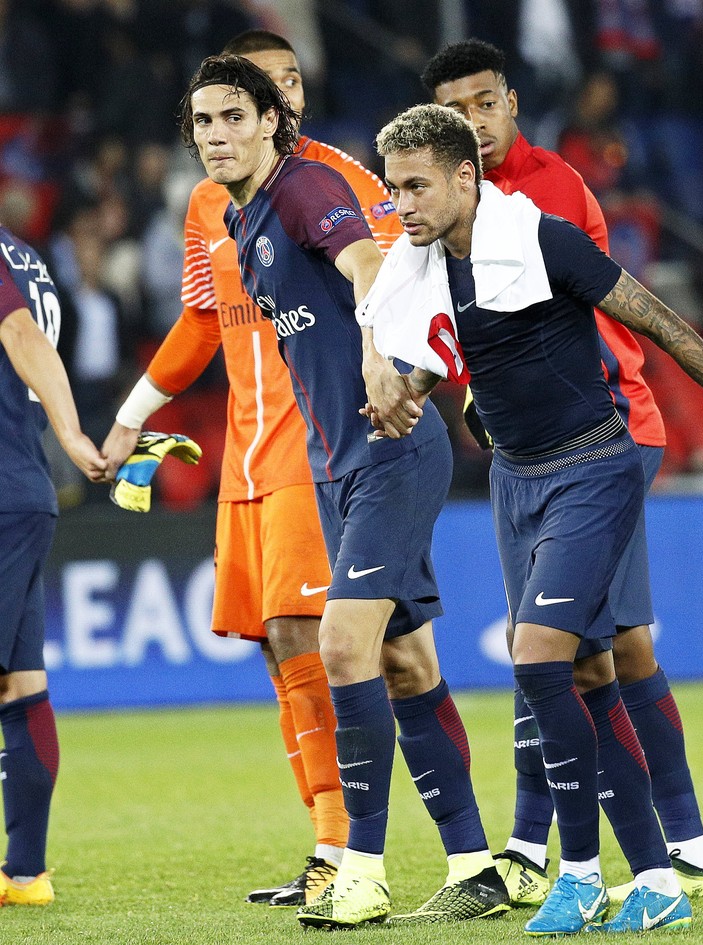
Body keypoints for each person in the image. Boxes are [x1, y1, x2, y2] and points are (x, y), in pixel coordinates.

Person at [362, 103, 703, 935]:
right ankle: (658, 880)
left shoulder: (543, 240)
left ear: (466, 178)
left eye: (417, 186)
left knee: (536, 663)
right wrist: (405, 394)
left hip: (593, 469)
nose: (403, 205)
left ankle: (579, 873)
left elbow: (661, 323)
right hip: (516, 482)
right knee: (590, 675)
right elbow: (445, 358)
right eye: (394, 190)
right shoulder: (427, 264)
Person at [175, 55, 507, 928]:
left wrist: (375, 353)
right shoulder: (243, 223)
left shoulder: (301, 188)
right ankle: (477, 864)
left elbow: (367, 262)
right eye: (204, 122)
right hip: (342, 463)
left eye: (234, 117)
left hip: (389, 445)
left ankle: (358, 869)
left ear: (271, 123)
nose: (217, 135)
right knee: (404, 661)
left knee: (342, 645)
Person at [422, 38, 703, 904]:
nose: (475, 122)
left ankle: (657, 841)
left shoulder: (545, 193)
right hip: (531, 448)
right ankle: (624, 848)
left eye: (486, 103)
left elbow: (586, 323)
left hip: (607, 427)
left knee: (591, 648)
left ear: (512, 103)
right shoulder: (439, 204)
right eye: (458, 110)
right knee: (578, 649)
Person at [102, 30, 402, 909]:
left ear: (280, 112)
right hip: (247, 451)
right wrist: (128, 419)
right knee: (280, 648)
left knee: (319, 641)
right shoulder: (208, 206)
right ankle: (324, 840)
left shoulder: (340, 181)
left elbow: (388, 273)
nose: (273, 104)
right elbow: (202, 322)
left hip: (318, 440)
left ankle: (351, 848)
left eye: (286, 86)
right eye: (221, 109)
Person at [0, 224, 107, 906]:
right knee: (21, 683)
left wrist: (68, 432)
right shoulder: (25, 255)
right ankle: (26, 873)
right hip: (21, 490)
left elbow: (21, 335)